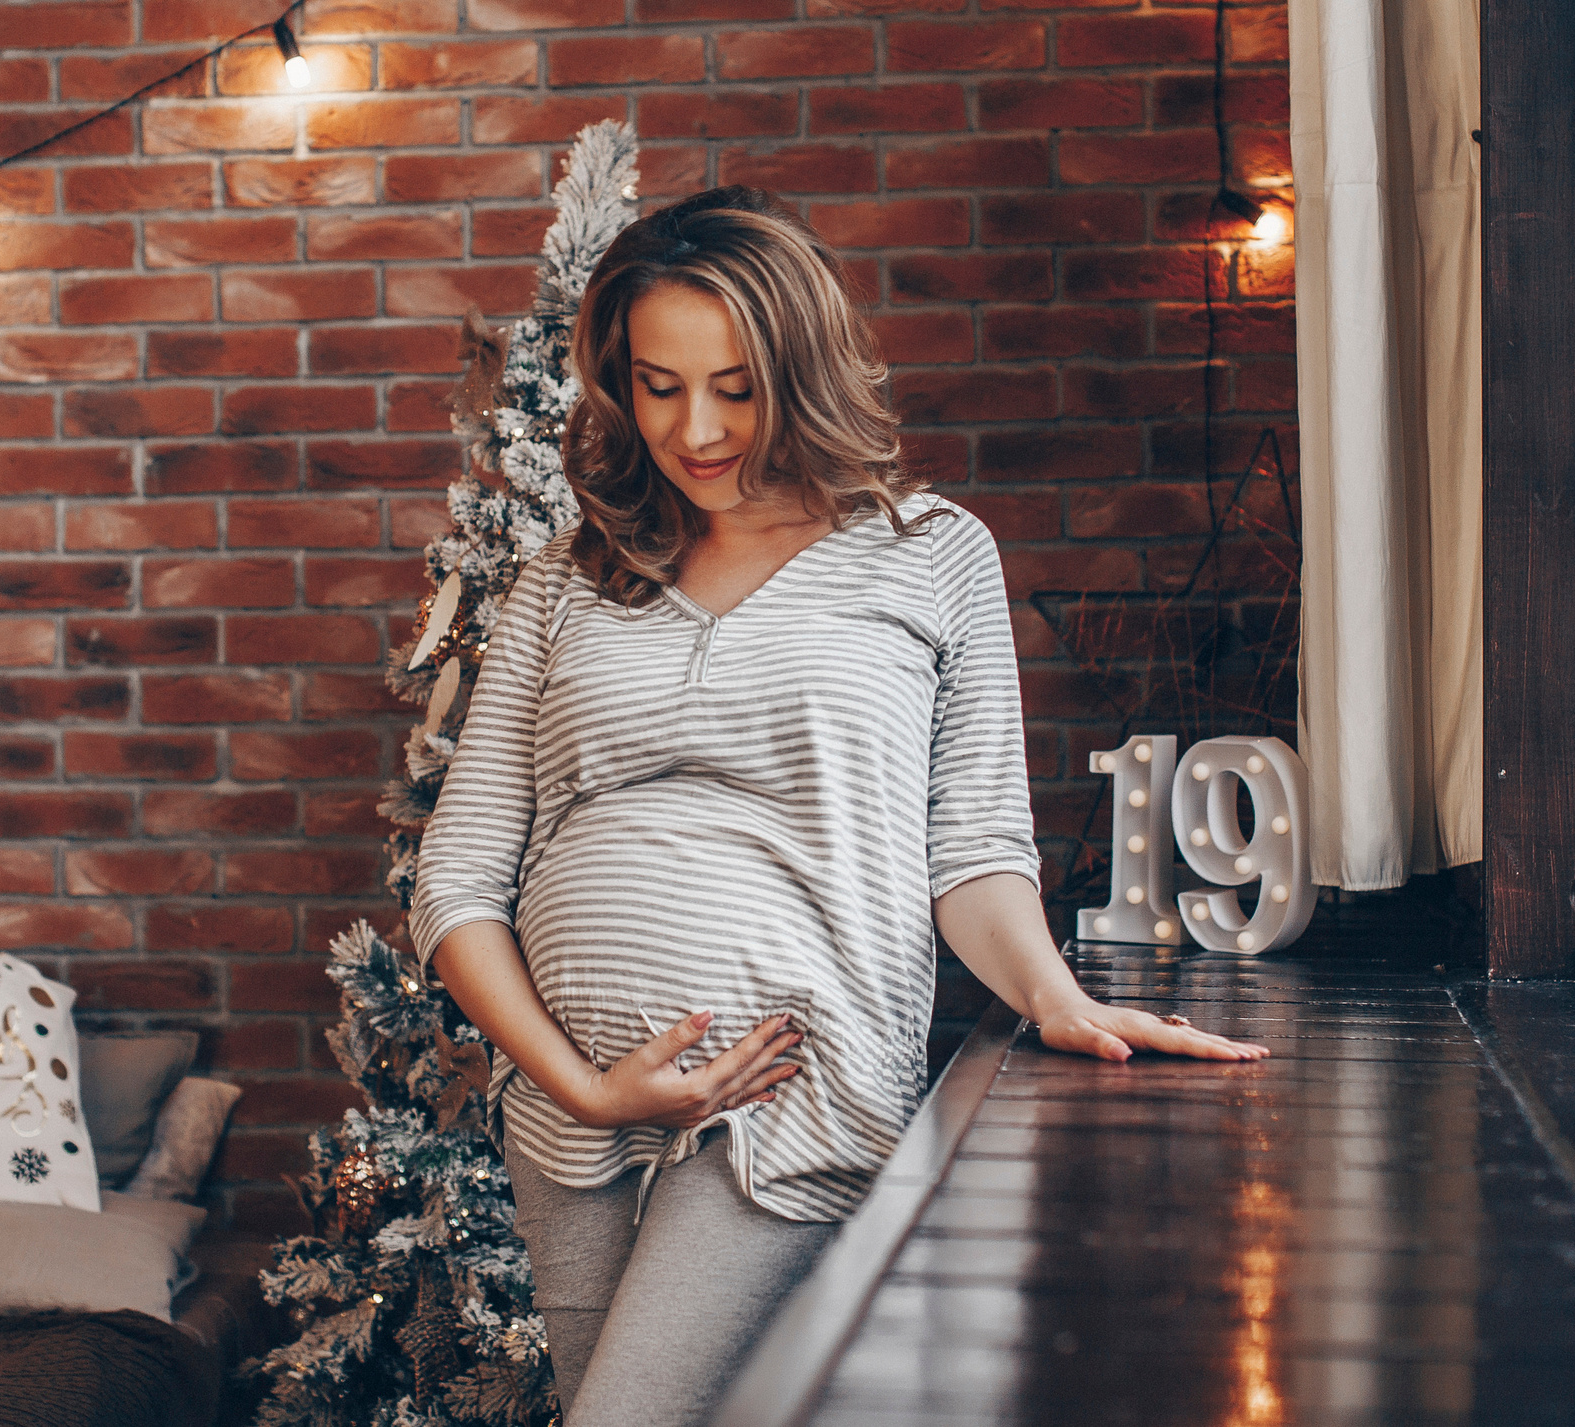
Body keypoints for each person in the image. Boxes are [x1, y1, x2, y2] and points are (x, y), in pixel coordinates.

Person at [410, 188, 1266, 1427]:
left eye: (736, 388)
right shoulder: (570, 574)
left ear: (802, 373)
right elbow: (461, 876)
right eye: (657, 386)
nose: (693, 430)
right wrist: (581, 1086)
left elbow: (970, 847)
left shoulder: (931, 554)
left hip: (789, 1099)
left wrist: (1054, 997)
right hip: (567, 1116)